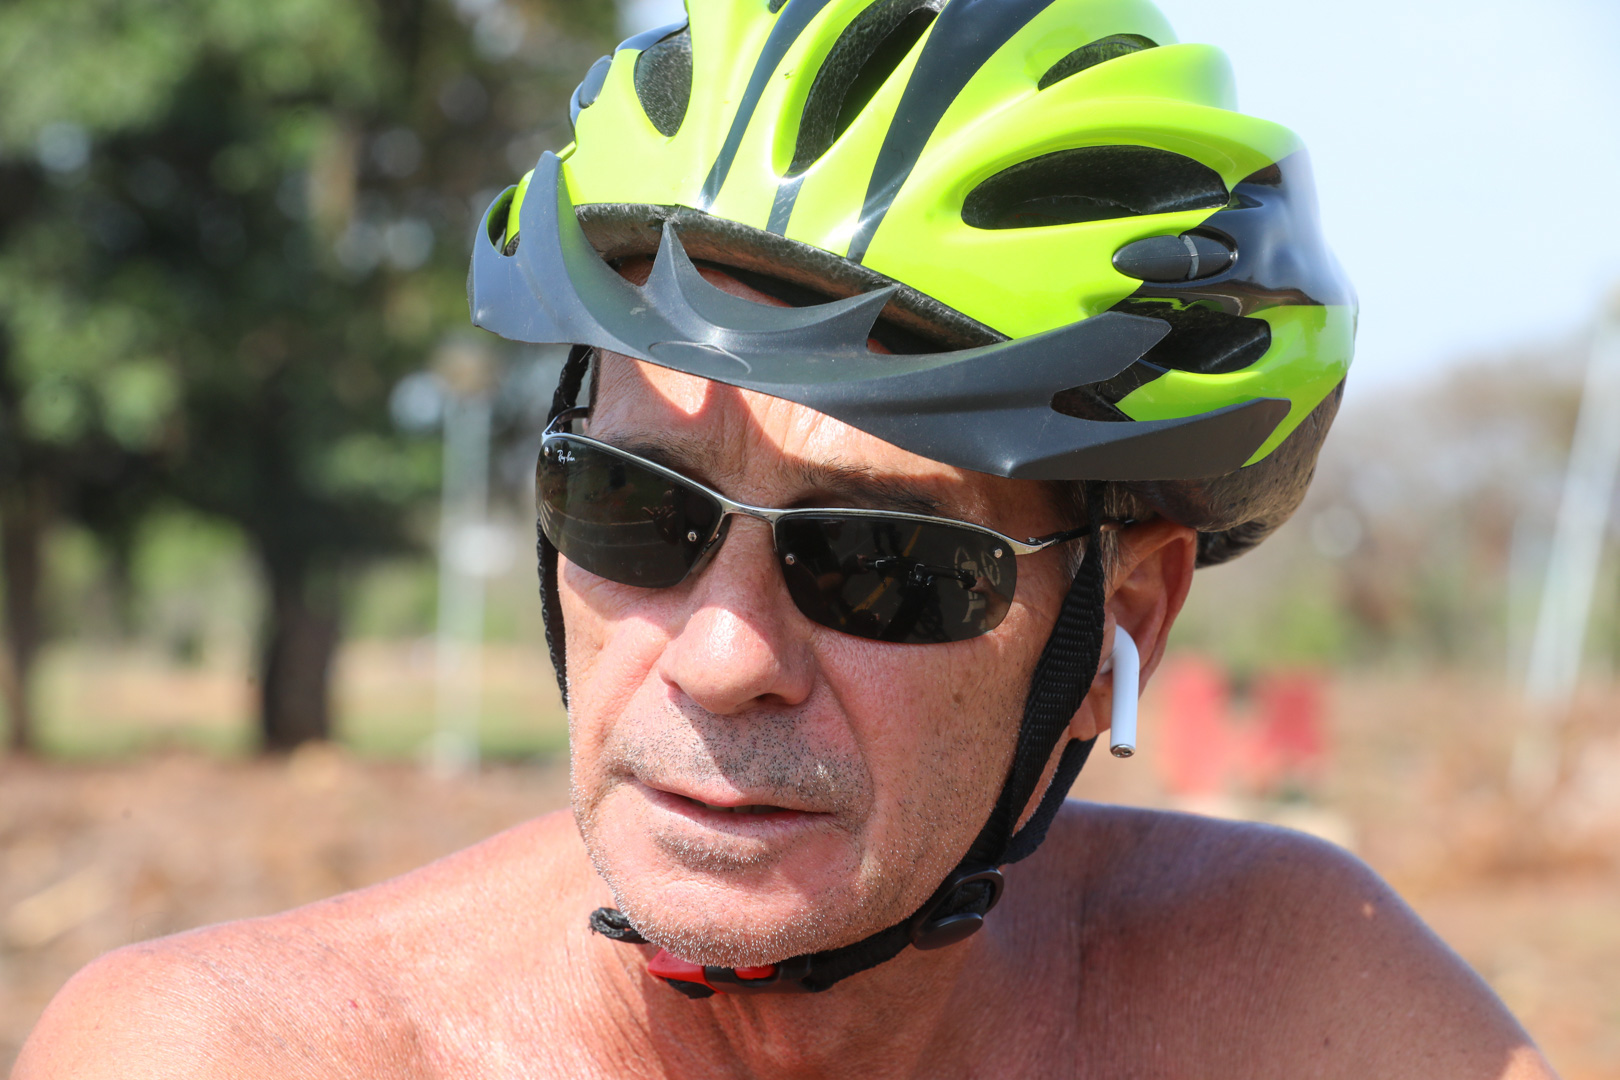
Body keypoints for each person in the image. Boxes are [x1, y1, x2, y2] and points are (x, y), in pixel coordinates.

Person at [18, 1, 1556, 1076]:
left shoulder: (1305, 1018)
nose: (722, 654)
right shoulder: (233, 1056)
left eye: (884, 563)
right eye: (637, 509)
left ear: (1120, 626)